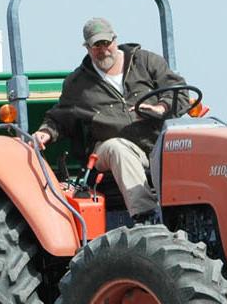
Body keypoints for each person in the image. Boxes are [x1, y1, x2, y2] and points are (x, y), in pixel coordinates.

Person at [32, 17, 193, 223]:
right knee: (118, 148)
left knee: (193, 145)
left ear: (115, 40)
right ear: (87, 47)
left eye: (106, 43)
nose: (103, 49)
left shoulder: (145, 62)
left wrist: (160, 108)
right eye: (96, 45)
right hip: (106, 151)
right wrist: (45, 132)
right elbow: (60, 117)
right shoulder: (78, 83)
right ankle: (146, 216)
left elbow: (180, 92)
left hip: (155, 145)